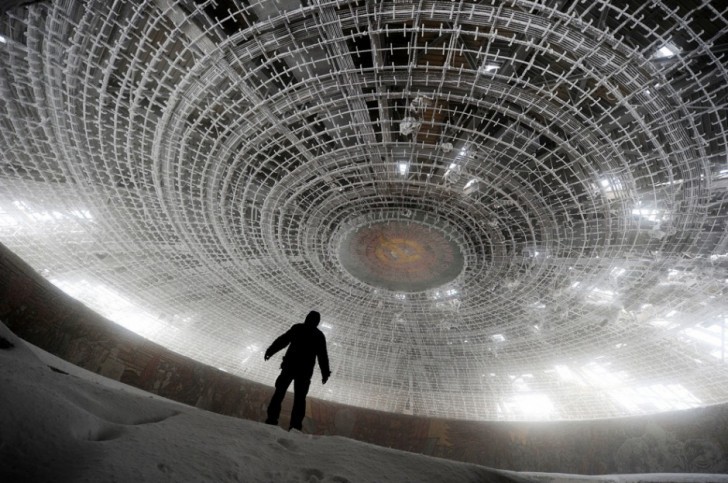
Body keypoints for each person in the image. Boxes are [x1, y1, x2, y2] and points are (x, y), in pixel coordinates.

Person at [264, 310, 331, 431]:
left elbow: (283, 340)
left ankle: (272, 419)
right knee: (299, 399)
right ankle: (295, 426)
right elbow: (322, 356)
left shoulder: (298, 328)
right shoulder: (319, 336)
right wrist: (325, 373)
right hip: (304, 372)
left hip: (290, 366)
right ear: (317, 322)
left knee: (279, 393)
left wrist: (271, 351)